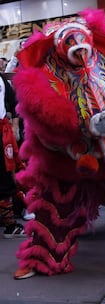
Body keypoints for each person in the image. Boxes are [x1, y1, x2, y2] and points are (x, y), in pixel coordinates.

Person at [0, 72, 26, 238]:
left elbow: (13, 102)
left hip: (2, 133)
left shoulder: (1, 79)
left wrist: (15, 125)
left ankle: (10, 225)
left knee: (5, 175)